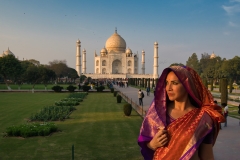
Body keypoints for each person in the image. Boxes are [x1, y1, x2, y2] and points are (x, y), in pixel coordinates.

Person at [138, 66, 224, 160]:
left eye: (174, 83)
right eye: (167, 83)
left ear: (187, 85)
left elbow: (207, 156)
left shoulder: (202, 118)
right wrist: (152, 145)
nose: (168, 88)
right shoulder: (157, 114)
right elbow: (146, 146)